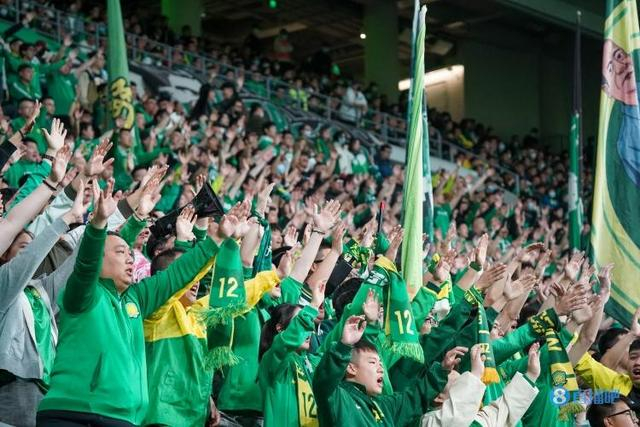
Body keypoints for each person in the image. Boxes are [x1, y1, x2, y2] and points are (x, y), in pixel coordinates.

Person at [36, 174, 234, 426]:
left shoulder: (136, 298)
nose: (130, 258)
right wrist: (98, 224)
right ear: (99, 259)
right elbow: (86, 262)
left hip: (123, 418)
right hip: (72, 413)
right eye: (122, 253)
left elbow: (177, 275)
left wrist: (218, 239)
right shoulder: (82, 292)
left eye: (130, 254)